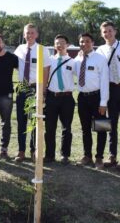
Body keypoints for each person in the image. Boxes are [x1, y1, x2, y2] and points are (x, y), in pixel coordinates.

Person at [96, 21, 120, 169]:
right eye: (104, 31)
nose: (108, 34)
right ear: (101, 34)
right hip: (110, 90)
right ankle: (112, 155)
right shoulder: (100, 50)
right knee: (111, 124)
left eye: (110, 31)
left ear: (115, 31)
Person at [13, 23, 51, 162]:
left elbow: (46, 70)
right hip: (22, 88)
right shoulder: (19, 49)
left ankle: (34, 150)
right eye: (27, 33)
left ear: (37, 34)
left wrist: (43, 90)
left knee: (35, 120)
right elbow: (14, 64)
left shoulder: (42, 50)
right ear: (24, 34)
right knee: (21, 121)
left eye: (32, 33)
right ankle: (21, 151)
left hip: (36, 88)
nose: (29, 35)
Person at [75, 33, 109, 169]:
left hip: (97, 97)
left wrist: (103, 102)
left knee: (101, 128)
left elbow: (105, 81)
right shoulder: (77, 59)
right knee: (85, 129)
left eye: (87, 41)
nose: (84, 44)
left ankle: (99, 157)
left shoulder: (100, 59)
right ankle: (87, 155)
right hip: (82, 97)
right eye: (82, 42)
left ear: (93, 42)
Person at [44, 35, 76, 164]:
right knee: (50, 128)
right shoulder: (49, 60)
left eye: (62, 43)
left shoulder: (74, 62)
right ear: (54, 45)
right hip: (52, 97)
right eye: (57, 43)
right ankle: (49, 155)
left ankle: (65, 155)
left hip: (67, 98)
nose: (59, 45)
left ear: (67, 45)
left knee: (66, 128)